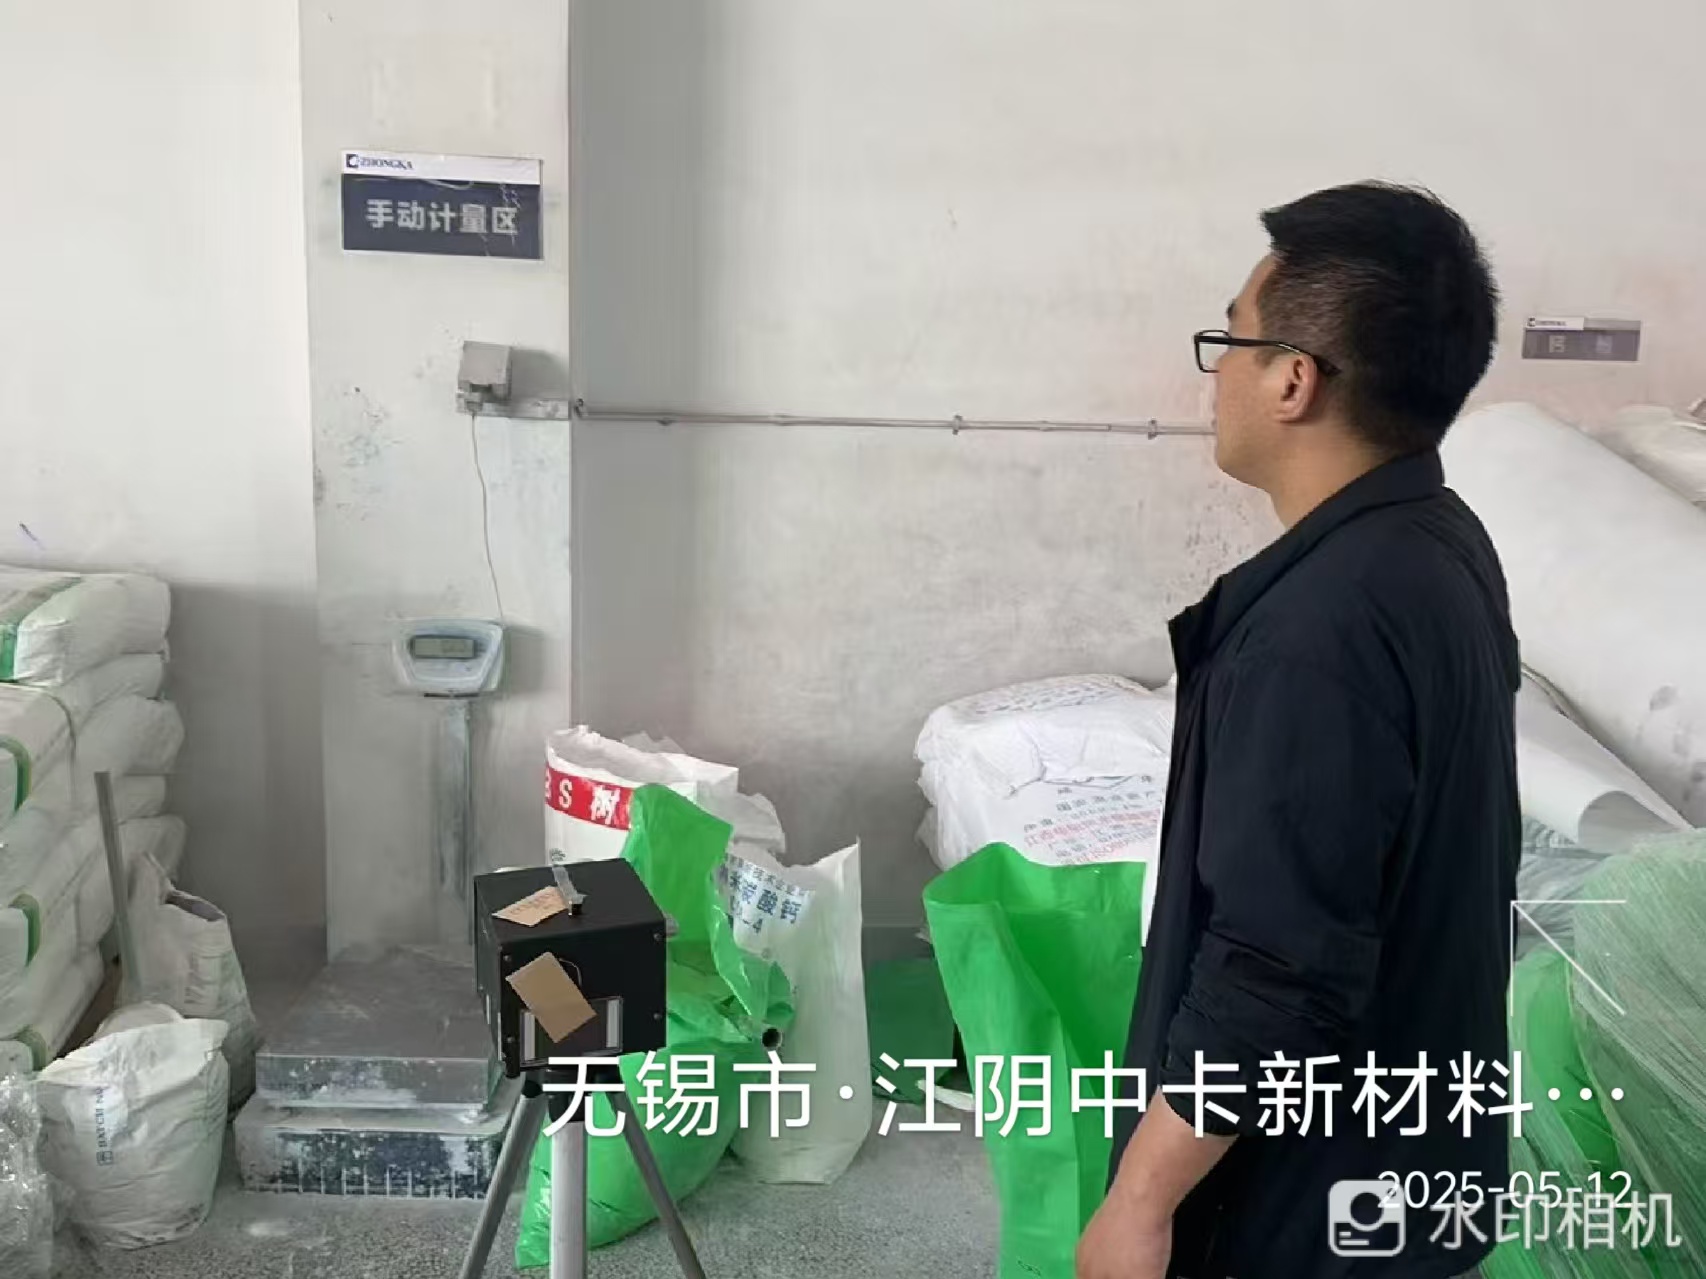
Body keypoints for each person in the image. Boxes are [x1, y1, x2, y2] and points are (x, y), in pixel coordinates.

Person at [1077, 182, 1518, 1279]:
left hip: (1304, 1211)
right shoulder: (1437, 539)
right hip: (1409, 1175)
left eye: (1229, 338)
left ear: (1292, 379)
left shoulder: (1317, 631)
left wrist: (1141, 1200)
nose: (1215, 372)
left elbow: (1275, 969)